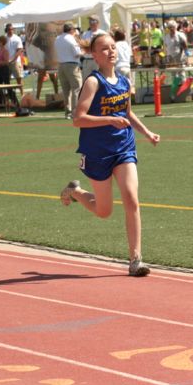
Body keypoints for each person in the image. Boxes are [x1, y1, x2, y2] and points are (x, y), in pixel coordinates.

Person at [60, 33, 160, 277]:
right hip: (98, 152)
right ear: (94, 55)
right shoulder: (93, 82)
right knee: (104, 211)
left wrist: (146, 132)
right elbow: (78, 119)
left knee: (131, 198)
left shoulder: (124, 81)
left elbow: (127, 113)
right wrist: (109, 120)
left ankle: (135, 259)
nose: (111, 52)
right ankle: (74, 191)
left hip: (124, 148)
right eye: (104, 49)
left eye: (113, 47)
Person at [55, 22, 83, 119]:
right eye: (74, 29)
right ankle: (75, 111)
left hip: (61, 65)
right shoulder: (71, 39)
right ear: (71, 30)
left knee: (66, 90)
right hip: (71, 65)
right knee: (76, 88)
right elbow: (77, 53)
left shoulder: (57, 38)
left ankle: (68, 112)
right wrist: (84, 50)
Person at [4, 23, 24, 94]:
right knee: (6, 79)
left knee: (19, 79)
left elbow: (20, 49)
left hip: (15, 62)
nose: (11, 31)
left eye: (12, 29)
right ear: (6, 30)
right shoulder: (4, 38)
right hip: (6, 62)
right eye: (9, 29)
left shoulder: (17, 38)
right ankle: (9, 94)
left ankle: (22, 94)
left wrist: (13, 59)